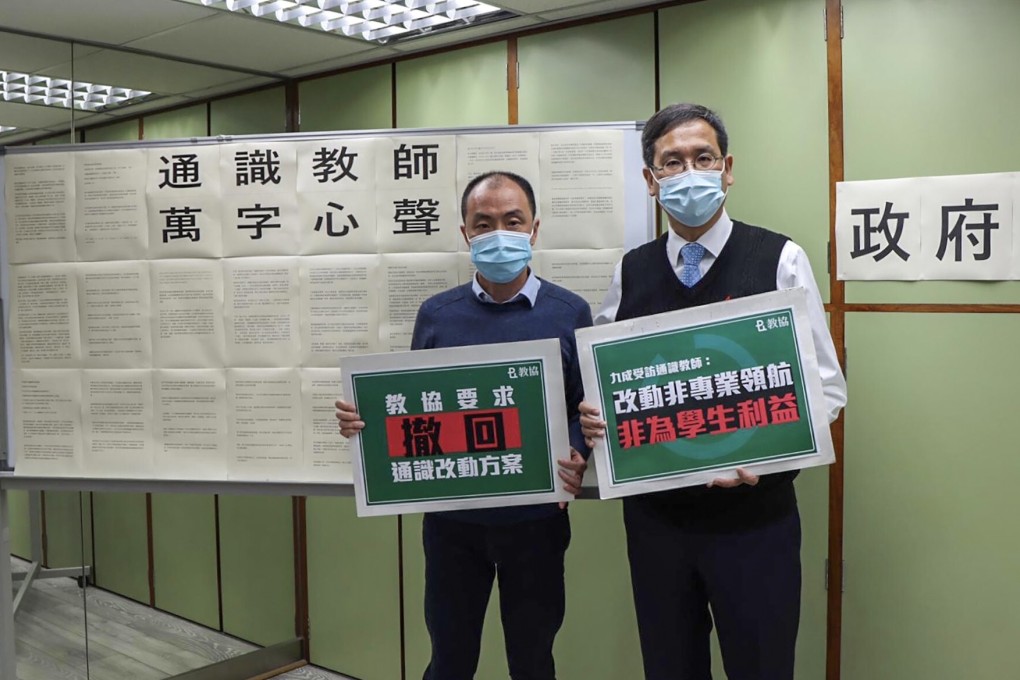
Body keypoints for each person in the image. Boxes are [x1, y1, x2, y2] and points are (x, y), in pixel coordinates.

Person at [580, 103, 848, 680]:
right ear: (652, 182)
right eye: (671, 163)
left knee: (761, 665)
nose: (689, 172)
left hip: (756, 520)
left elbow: (825, 386)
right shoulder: (633, 270)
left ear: (728, 169)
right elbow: (607, 382)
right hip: (657, 526)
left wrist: (766, 456)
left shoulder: (779, 258)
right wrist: (597, 418)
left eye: (703, 158)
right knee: (669, 665)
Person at [336, 170, 591, 680]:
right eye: (484, 222)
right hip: (454, 526)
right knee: (450, 659)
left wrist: (580, 451)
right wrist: (363, 422)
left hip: (536, 521)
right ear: (465, 233)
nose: (499, 232)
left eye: (512, 220)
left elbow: (584, 406)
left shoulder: (570, 311)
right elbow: (412, 411)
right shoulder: (437, 315)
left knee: (533, 658)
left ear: (534, 229)